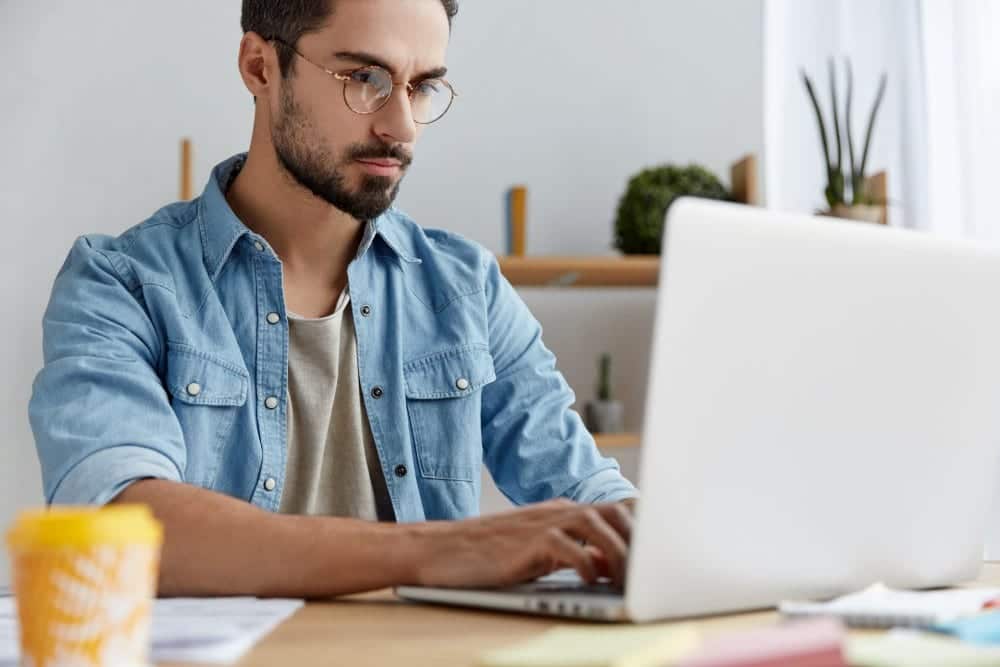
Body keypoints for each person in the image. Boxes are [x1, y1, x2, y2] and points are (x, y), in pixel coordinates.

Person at [28, 0, 636, 598]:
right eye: (365, 78)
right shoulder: (121, 284)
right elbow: (121, 528)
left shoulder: (466, 288)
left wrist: (654, 540)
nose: (402, 127)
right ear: (260, 67)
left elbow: (590, 491)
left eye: (422, 87)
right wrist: (443, 550)